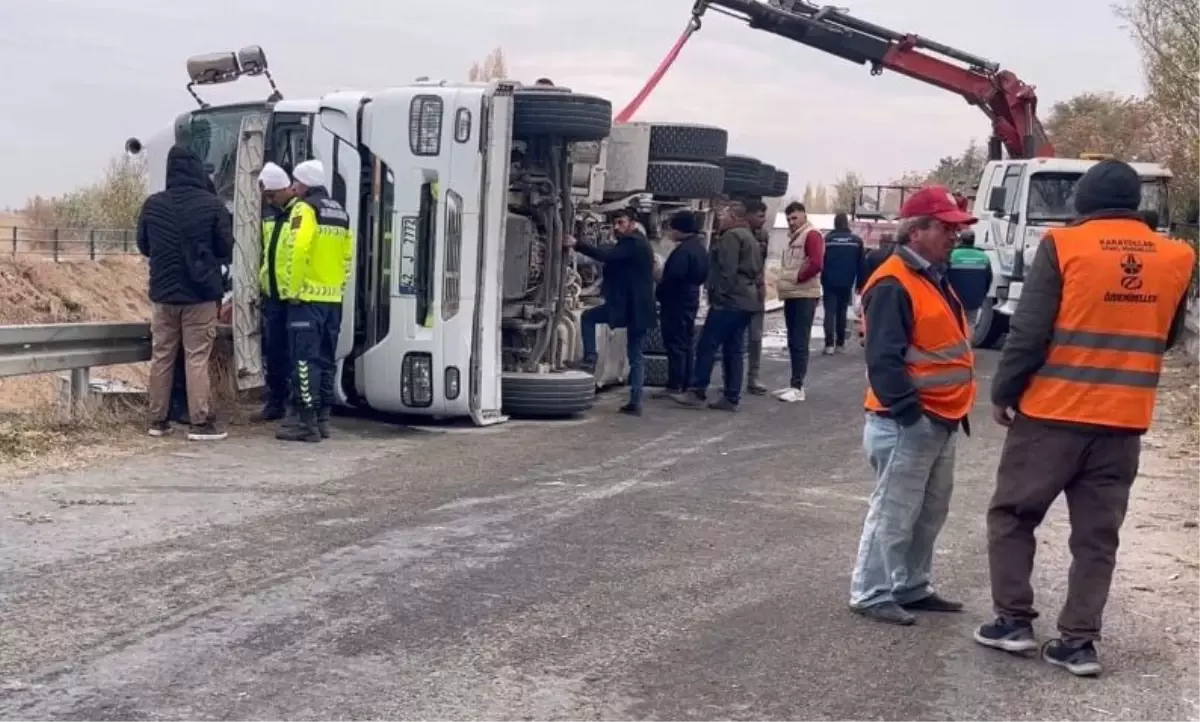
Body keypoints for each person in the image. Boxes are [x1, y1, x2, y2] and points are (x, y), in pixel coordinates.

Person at [975, 160, 1194, 677]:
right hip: (1123, 421)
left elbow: (1028, 333)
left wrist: (1004, 392)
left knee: (1013, 516)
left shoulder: (1064, 246)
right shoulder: (1177, 256)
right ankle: (1077, 643)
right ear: (1136, 205)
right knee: (1097, 537)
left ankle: (1013, 622)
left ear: (1083, 204)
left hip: (1053, 414)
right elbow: (1167, 336)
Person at [849, 185, 978, 626]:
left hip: (939, 417)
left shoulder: (932, 277)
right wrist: (909, 413)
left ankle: (911, 585)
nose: (954, 236)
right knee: (894, 510)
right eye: (945, 227)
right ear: (916, 231)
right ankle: (871, 592)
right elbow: (883, 359)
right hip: (909, 420)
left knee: (929, 510)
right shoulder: (893, 282)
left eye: (955, 228)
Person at [137, 145, 233, 441]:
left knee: (162, 356)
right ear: (196, 169)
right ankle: (200, 422)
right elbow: (226, 248)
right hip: (200, 295)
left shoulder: (152, 205)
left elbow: (144, 245)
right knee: (196, 357)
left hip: (163, 295)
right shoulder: (212, 204)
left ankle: (157, 420)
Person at [274, 159, 353, 442]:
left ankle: (304, 422)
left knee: (304, 363)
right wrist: (338, 286)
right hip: (333, 300)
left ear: (304, 184)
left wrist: (292, 289)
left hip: (306, 298)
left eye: (295, 182)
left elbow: (298, 249)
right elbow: (347, 257)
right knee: (327, 360)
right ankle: (322, 419)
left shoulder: (305, 210)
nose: (293, 187)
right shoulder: (340, 212)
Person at [568, 208, 657, 415]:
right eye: (615, 223)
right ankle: (635, 401)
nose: (617, 228)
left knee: (589, 318)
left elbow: (607, 255)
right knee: (636, 355)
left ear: (632, 223)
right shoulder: (637, 243)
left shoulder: (633, 243)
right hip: (638, 307)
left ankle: (590, 358)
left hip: (629, 307)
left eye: (621, 223)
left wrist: (577, 244)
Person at [674, 201, 761, 411]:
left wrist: (719, 296)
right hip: (747, 300)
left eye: (723, 215)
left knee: (706, 344)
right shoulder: (750, 237)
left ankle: (697, 391)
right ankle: (731, 396)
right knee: (734, 348)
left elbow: (727, 271)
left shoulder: (731, 237)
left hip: (730, 301)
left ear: (733, 217)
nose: (720, 219)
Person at [255, 162, 296, 422]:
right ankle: (276, 401)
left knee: (295, 354)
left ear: (286, 188)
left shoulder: (300, 213)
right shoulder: (269, 214)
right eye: (267, 197)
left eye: (272, 194)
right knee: (274, 352)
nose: (270, 200)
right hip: (273, 296)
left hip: (294, 296)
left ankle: (294, 404)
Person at [652, 211, 708, 398]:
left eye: (673, 228)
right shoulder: (699, 248)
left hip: (676, 301)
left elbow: (673, 277)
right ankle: (685, 382)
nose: (670, 232)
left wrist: (660, 292)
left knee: (674, 342)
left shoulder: (683, 252)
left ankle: (674, 384)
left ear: (680, 229)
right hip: (691, 298)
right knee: (686, 342)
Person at [772, 201, 824, 402]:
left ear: (804, 215)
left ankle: (798, 387)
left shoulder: (811, 235)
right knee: (793, 340)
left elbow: (817, 262)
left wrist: (798, 278)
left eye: (795, 218)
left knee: (800, 341)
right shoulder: (795, 238)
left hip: (804, 294)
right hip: (793, 294)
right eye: (788, 219)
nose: (791, 222)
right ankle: (793, 384)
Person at [821, 212, 865, 355]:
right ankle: (840, 344)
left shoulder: (827, 240)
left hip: (829, 281)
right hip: (847, 282)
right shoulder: (856, 241)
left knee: (829, 312)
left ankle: (829, 345)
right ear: (847, 223)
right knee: (842, 311)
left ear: (835, 223)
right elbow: (861, 265)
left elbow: (821, 261)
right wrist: (860, 283)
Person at [744, 199, 771, 394]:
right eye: (760, 216)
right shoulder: (736, 234)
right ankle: (731, 380)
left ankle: (753, 378)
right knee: (734, 337)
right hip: (739, 292)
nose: (763, 220)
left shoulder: (763, 236)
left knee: (755, 337)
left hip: (756, 290)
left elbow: (762, 264)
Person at [947, 229, 993, 326]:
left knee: (954, 324)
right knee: (970, 324)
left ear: (960, 240)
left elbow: (943, 276)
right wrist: (982, 295)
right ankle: (968, 341)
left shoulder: (952, 255)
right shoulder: (984, 257)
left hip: (954, 298)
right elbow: (989, 279)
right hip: (974, 299)